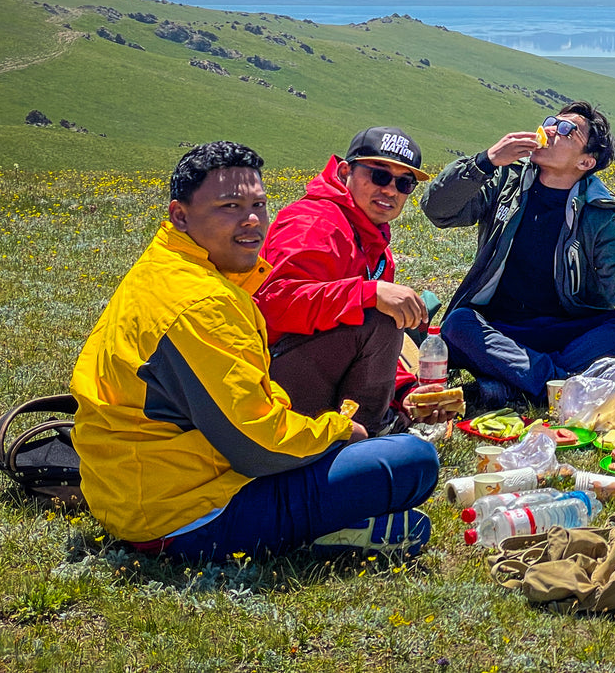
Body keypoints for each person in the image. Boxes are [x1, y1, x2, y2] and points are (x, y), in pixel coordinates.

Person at [70, 142, 439, 561]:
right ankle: (314, 530)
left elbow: (246, 398)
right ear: (180, 214)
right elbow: (257, 447)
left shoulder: (170, 269)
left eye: (259, 205)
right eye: (229, 206)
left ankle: (333, 519)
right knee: (415, 460)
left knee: (382, 459)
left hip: (139, 492)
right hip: (187, 514)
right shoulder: (202, 304)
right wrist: (339, 432)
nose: (251, 222)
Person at [421, 101, 615, 406]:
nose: (551, 129)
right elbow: (438, 210)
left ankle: (514, 383)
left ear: (585, 163)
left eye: (567, 130)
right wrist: (485, 161)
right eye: (551, 122)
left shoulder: (596, 210)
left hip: (566, 331)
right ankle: (569, 383)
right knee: (459, 324)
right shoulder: (505, 182)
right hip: (502, 328)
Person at [257, 126, 443, 431]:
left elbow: (365, 343)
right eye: (379, 176)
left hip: (306, 370)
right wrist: (368, 294)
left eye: (404, 183)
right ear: (346, 171)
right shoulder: (315, 222)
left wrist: (402, 392)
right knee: (380, 316)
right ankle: (366, 437)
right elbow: (274, 304)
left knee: (382, 314)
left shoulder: (370, 237)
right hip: (269, 381)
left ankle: (371, 422)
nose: (391, 190)